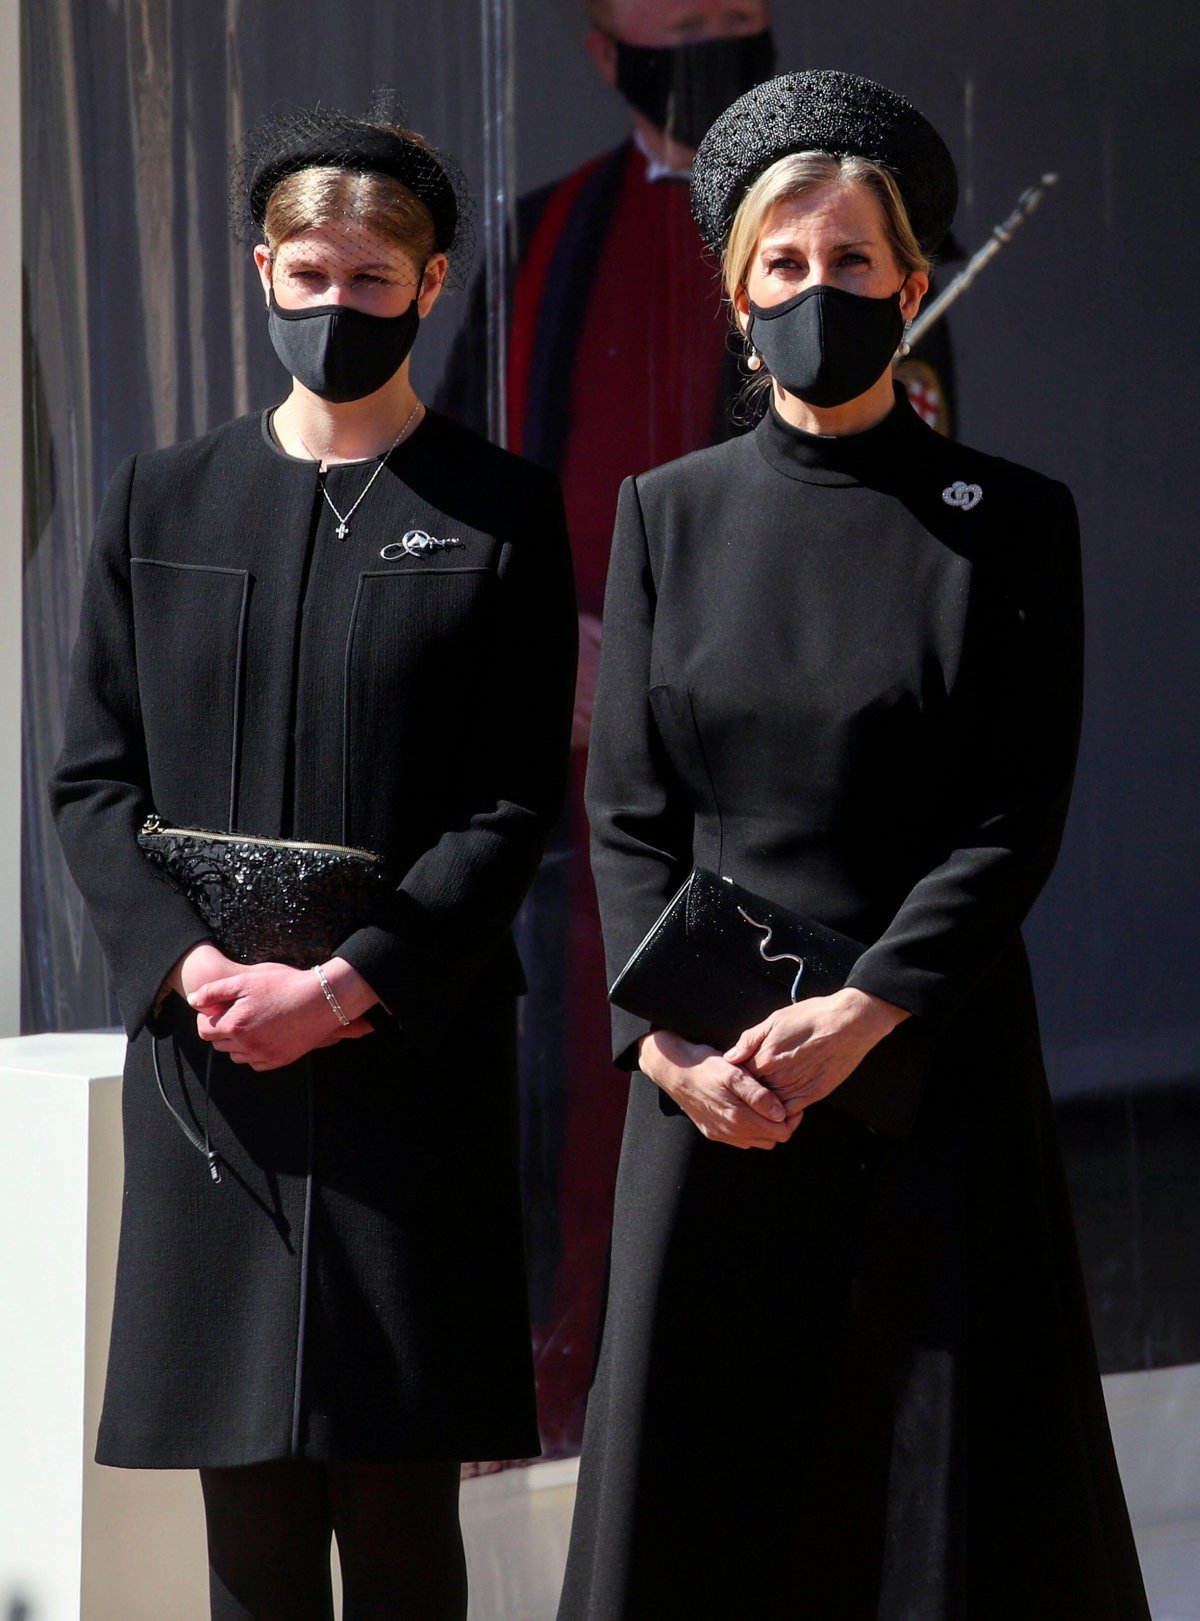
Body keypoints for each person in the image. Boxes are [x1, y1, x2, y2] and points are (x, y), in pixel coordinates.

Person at [557, 70, 1150, 1621]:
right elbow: (625, 812)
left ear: (909, 279)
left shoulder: (1010, 520)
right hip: (711, 1090)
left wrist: (868, 1008)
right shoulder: (665, 512)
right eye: (785, 265)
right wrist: (673, 1050)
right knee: (710, 1490)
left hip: (926, 1072)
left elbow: (1015, 811)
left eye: (851, 263)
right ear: (738, 293)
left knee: (934, 1497)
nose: (820, 292)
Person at [50, 102, 576, 1621]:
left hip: (410, 1065)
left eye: (370, 279)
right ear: (261, 278)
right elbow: (92, 776)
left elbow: (505, 804)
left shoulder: (502, 514)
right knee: (250, 1526)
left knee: (403, 1514)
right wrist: (192, 966)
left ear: (427, 286)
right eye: (307, 275)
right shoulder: (161, 499)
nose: (334, 306)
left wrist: (352, 987)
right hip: (215, 1071)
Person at [438, 0, 778, 1454]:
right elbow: (441, 501)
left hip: (755, 788)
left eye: (733, 8)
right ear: (598, 45)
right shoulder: (535, 239)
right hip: (561, 780)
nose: (708, 29)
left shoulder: (833, 233)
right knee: (549, 1090)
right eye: (675, 11)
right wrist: (536, 649)